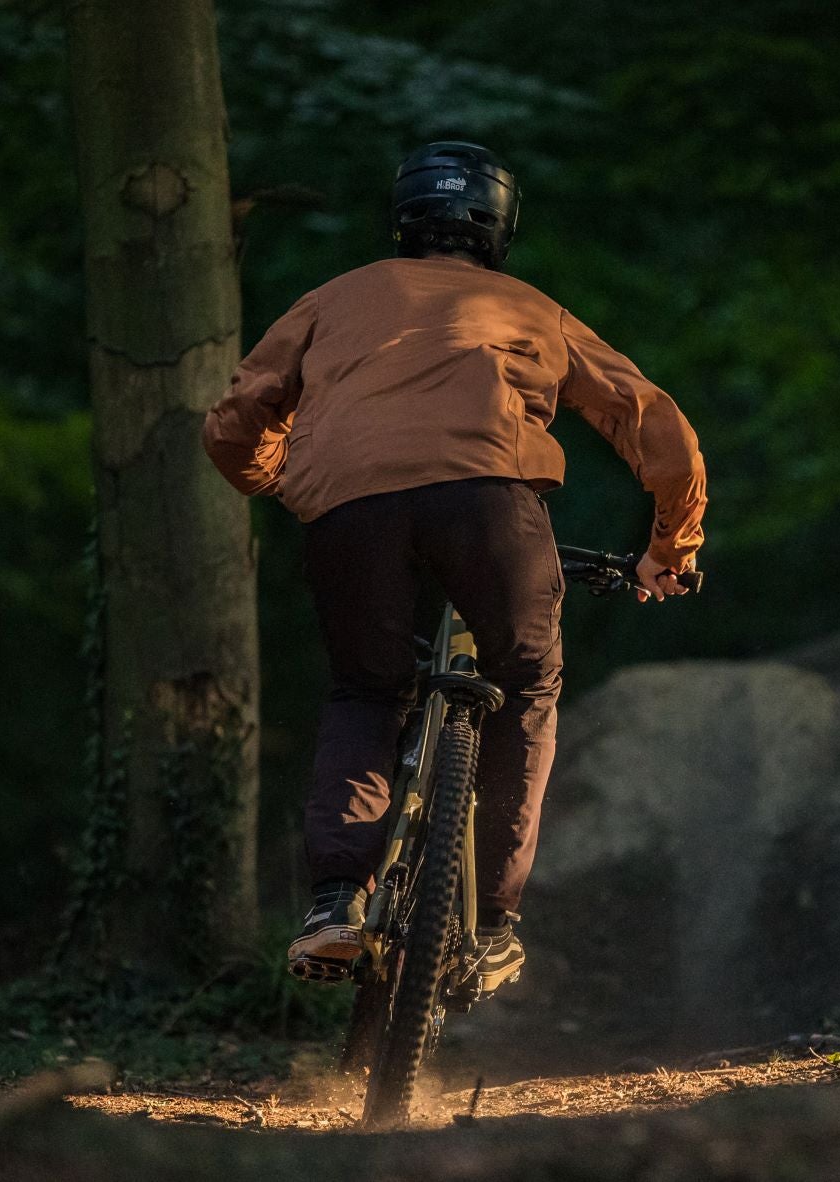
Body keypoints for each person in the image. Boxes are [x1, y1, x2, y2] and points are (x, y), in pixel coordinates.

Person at [203, 141, 707, 996]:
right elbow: (654, 423)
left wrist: (290, 481)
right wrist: (670, 547)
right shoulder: (530, 308)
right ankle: (494, 924)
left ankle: (334, 906)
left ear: (401, 221)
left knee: (366, 690)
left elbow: (233, 418)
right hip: (490, 504)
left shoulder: (332, 298)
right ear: (501, 228)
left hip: (347, 514)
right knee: (524, 687)